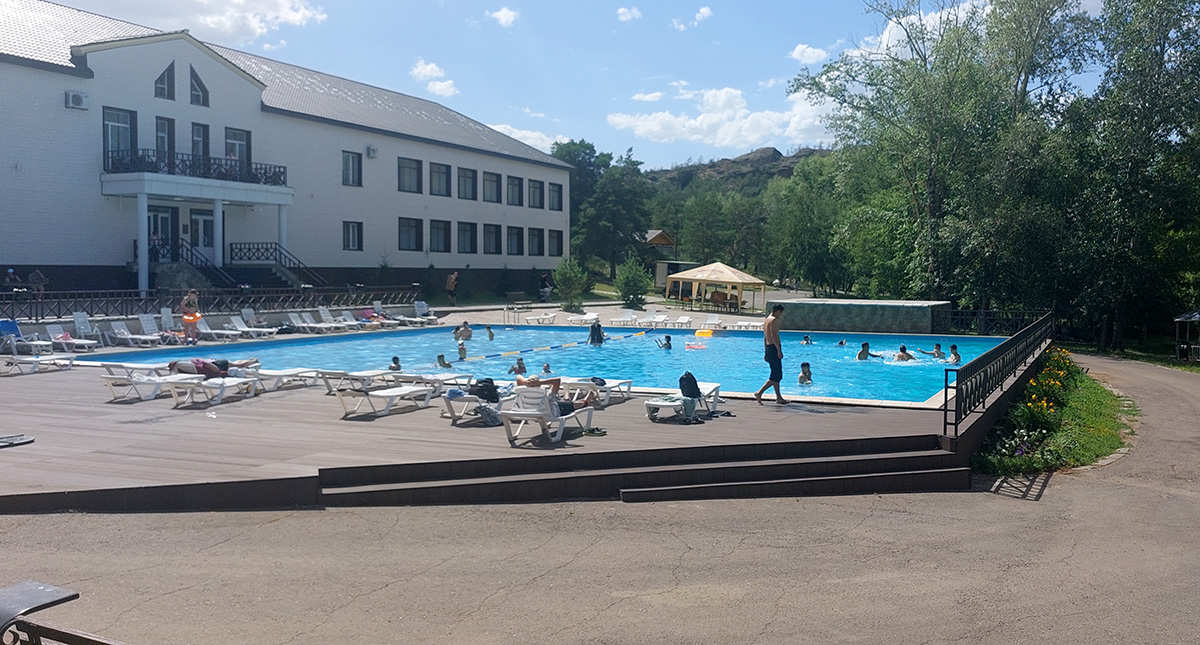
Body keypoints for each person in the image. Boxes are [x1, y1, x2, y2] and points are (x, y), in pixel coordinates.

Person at [754, 304, 787, 405]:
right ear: (778, 311)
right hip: (773, 348)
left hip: (769, 348)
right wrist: (779, 350)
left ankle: (778, 397)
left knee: (775, 374)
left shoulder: (766, 320)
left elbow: (765, 337)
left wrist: (765, 351)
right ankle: (759, 393)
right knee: (776, 375)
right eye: (780, 313)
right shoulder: (773, 320)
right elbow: (773, 336)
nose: (780, 315)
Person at [168, 357, 258, 379]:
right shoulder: (196, 364)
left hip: (219, 363)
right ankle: (250, 361)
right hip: (215, 362)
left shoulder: (202, 365)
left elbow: (216, 370)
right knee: (236, 364)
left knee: (238, 365)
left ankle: (252, 361)